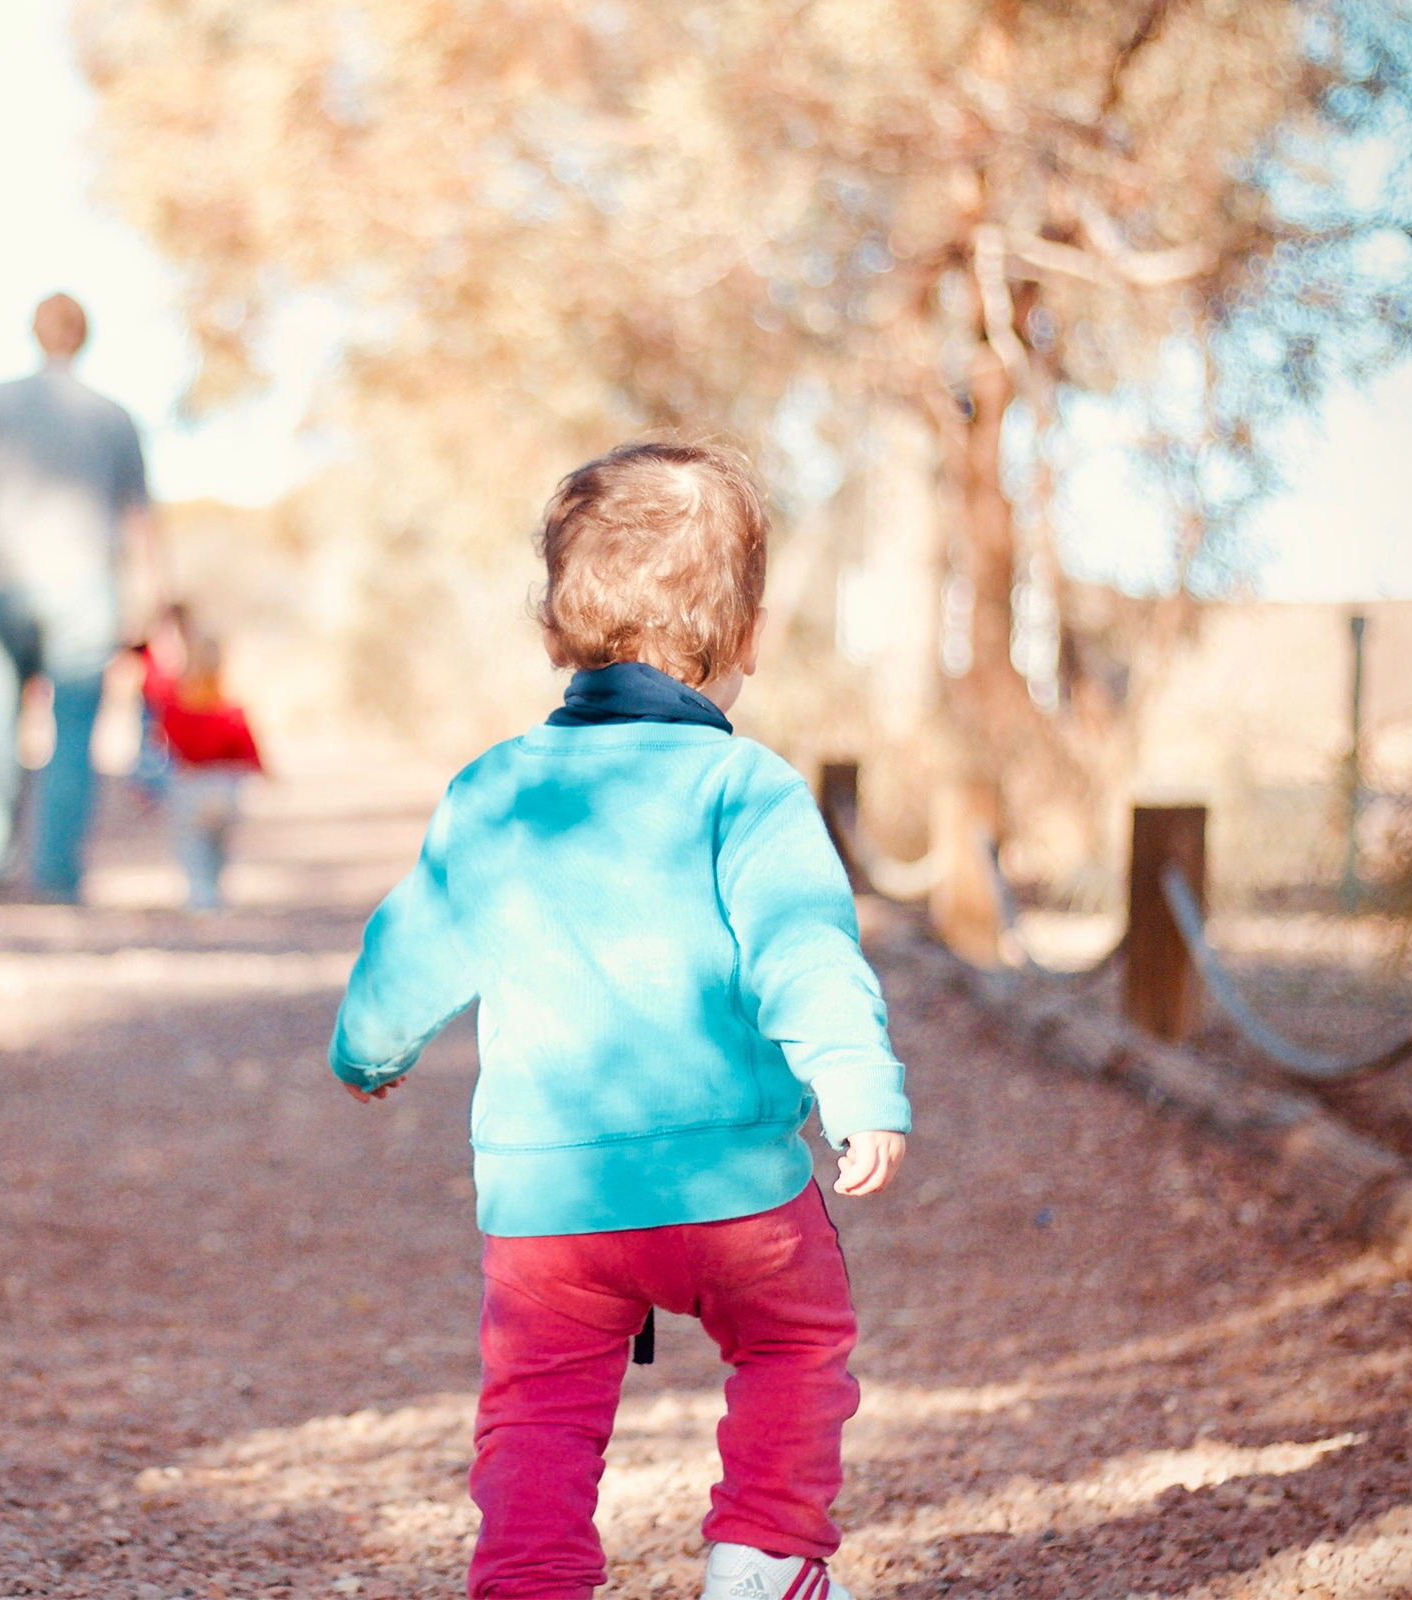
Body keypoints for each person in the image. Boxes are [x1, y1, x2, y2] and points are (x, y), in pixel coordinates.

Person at [327, 440, 911, 1600]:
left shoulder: (496, 788)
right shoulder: (748, 792)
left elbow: (416, 938)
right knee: (795, 1342)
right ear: (746, 635)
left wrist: (368, 1046)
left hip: (553, 1206)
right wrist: (856, 1088)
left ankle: (530, 1581)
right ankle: (764, 1552)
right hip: (733, 1189)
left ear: (555, 627)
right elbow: (805, 948)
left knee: (536, 1413)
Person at [0, 293, 156, 902]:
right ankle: (56, 874)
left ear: (34, 333)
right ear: (84, 339)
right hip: (86, 587)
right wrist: (153, 601)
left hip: (3, 580)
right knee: (74, 728)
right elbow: (140, 519)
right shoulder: (113, 416)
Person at [135, 619, 264, 911]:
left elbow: (156, 704)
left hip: (190, 785)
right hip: (226, 787)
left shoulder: (177, 707)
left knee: (192, 843)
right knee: (220, 844)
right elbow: (249, 747)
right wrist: (264, 773)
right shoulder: (232, 709)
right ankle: (214, 891)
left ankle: (200, 894)